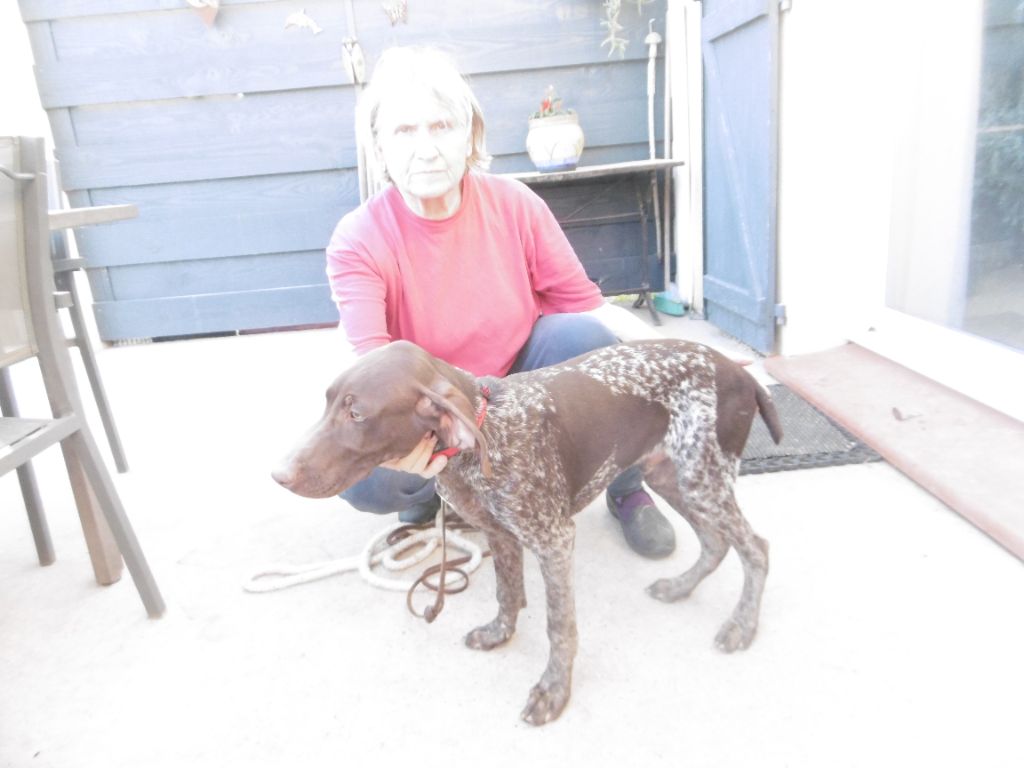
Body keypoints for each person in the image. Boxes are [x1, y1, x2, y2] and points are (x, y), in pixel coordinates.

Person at [325, 46, 675, 558]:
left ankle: (626, 489)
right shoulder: (358, 237)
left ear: (470, 135)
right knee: (368, 481)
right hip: (430, 405)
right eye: (404, 131)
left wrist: (685, 358)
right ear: (379, 146)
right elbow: (370, 364)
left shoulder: (515, 204)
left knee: (587, 339)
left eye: (441, 126)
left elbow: (588, 307)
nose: (427, 149)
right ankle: (435, 490)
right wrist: (403, 443)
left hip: (516, 390)